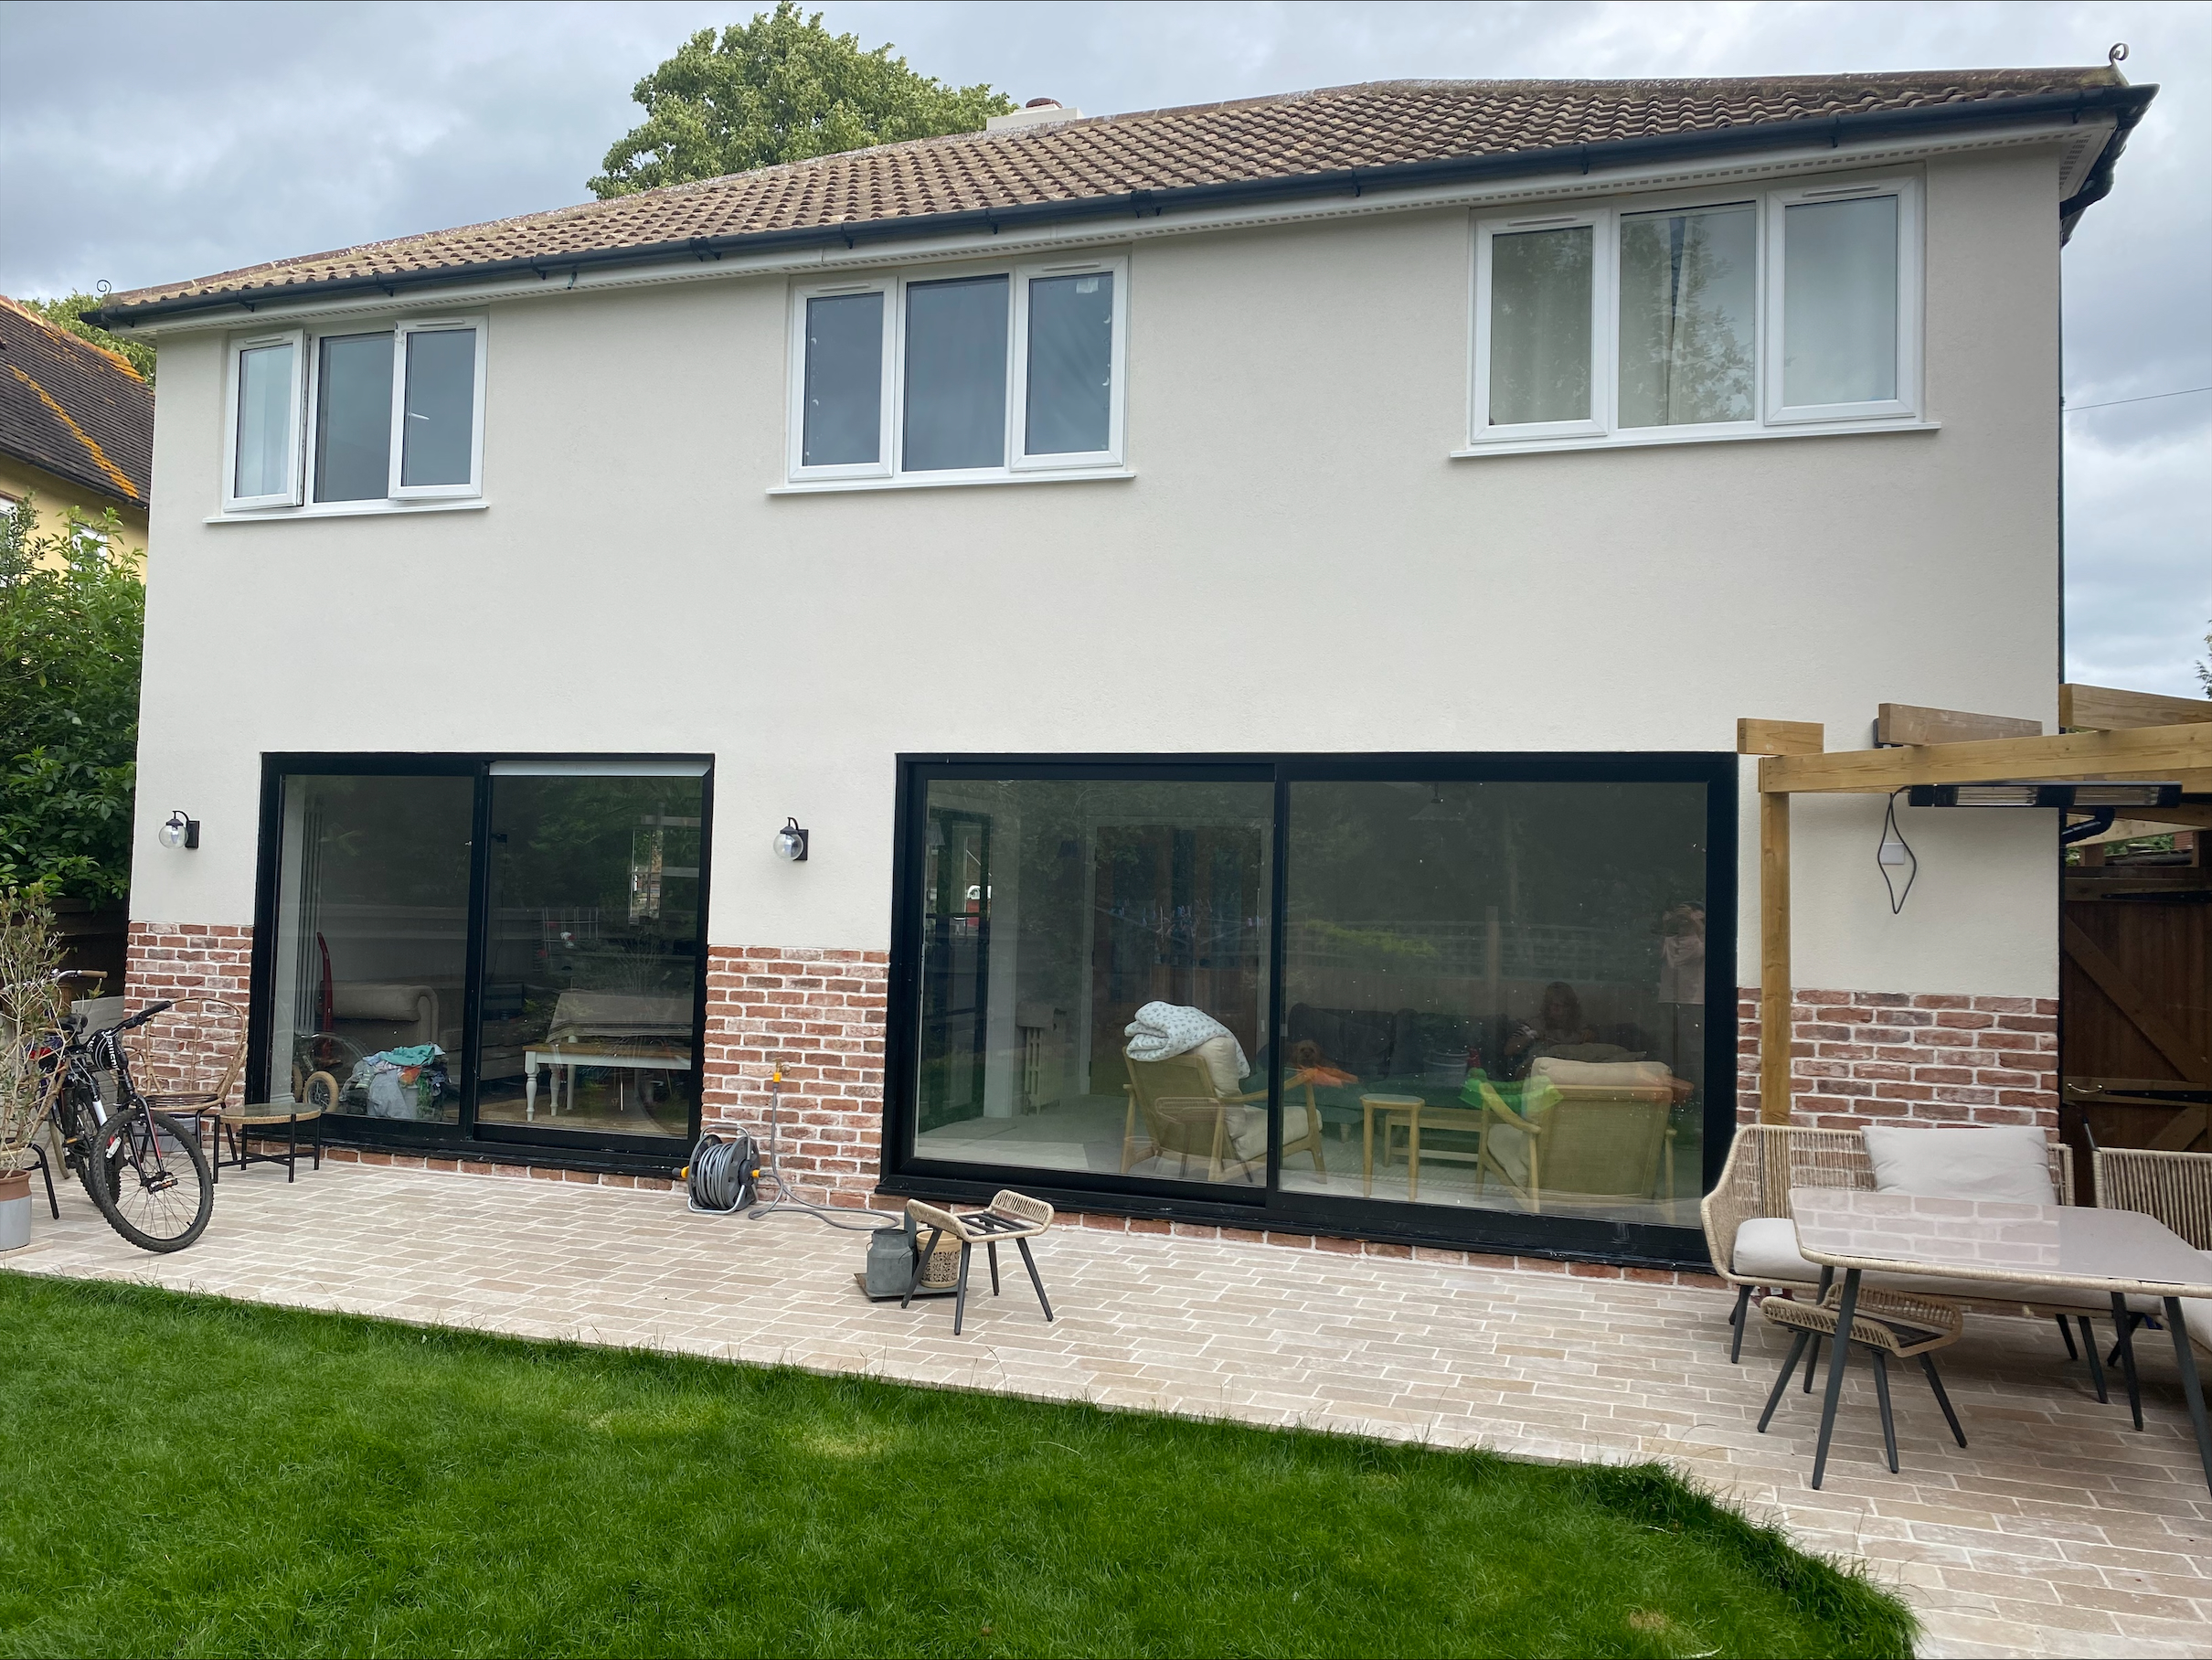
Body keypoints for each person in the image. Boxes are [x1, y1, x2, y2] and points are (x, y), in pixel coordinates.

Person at [1501, 981, 1595, 1080]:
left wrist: (1590, 1037)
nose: (1558, 1010)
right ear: (1547, 1006)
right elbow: (1508, 1050)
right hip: (1540, 1075)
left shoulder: (1580, 1027)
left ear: (1571, 1008)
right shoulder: (1535, 1024)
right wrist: (1532, 1035)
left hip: (1571, 1074)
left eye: (1563, 1005)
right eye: (1554, 1005)